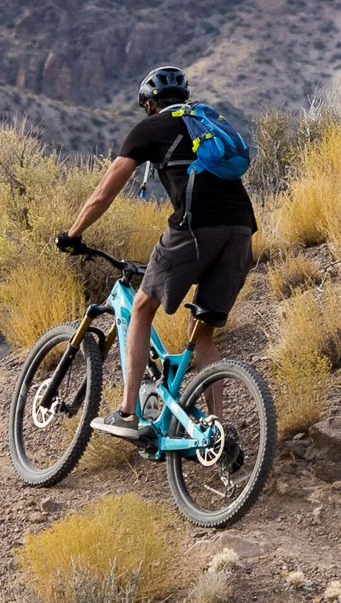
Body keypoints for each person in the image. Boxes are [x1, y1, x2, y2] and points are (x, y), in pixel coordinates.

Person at [58, 64, 257, 431]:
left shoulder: (151, 128)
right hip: (242, 230)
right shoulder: (204, 124)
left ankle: (128, 413)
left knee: (141, 306)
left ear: (149, 104)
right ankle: (215, 431)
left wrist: (72, 234)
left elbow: (105, 191)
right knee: (204, 332)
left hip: (196, 228)